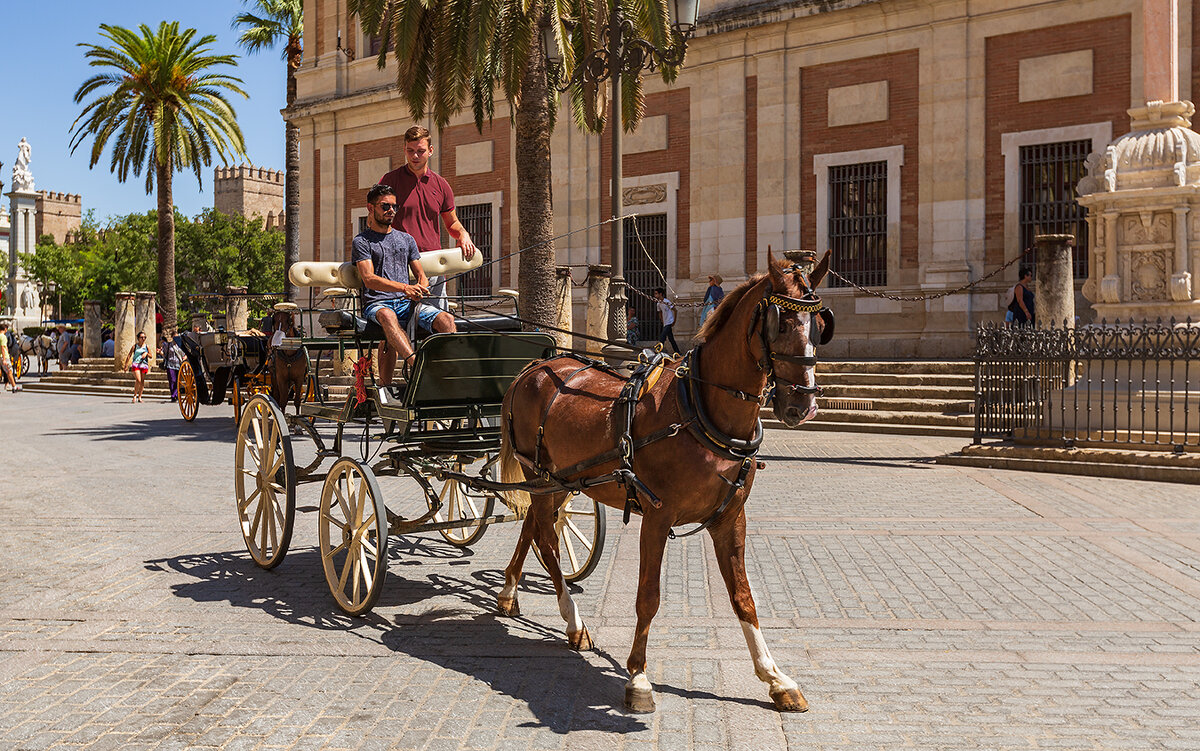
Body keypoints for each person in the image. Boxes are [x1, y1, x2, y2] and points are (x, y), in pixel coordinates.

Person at [353, 184, 456, 388]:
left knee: (447, 319)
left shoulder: (406, 239)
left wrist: (421, 288)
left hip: (406, 303)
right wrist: (404, 288)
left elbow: (421, 276)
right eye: (385, 206)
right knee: (387, 316)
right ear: (371, 208)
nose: (391, 210)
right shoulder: (362, 241)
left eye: (394, 206)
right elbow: (369, 279)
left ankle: (449, 371)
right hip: (377, 303)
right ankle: (417, 366)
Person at [378, 125, 477, 311]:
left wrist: (463, 234)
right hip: (399, 268)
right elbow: (376, 219)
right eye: (410, 151)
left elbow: (452, 222)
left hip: (433, 268)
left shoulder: (441, 185)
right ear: (404, 150)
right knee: (399, 328)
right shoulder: (389, 181)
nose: (415, 156)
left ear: (430, 151)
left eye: (420, 151)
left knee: (438, 324)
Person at [652, 287, 680, 355]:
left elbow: (675, 310)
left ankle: (658, 351)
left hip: (669, 321)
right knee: (671, 339)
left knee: (662, 336)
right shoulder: (658, 303)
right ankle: (678, 352)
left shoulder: (667, 302)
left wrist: (674, 320)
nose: (655, 295)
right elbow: (660, 312)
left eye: (656, 294)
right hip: (665, 322)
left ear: (660, 294)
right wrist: (661, 319)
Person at [126, 331, 151, 403]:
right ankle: (135, 395)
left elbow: (151, 356)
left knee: (142, 381)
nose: (143, 339)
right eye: (142, 337)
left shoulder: (147, 346)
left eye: (144, 337)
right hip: (136, 364)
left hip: (144, 364)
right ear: (138, 338)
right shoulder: (135, 346)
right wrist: (126, 365)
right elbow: (129, 355)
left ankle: (140, 397)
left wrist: (146, 353)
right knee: (138, 380)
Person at [160, 330, 182, 401]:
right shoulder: (168, 345)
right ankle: (173, 395)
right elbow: (165, 354)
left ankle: (176, 394)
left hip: (178, 364)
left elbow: (184, 354)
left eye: (177, 337)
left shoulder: (180, 345)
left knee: (177, 381)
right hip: (170, 364)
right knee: (172, 380)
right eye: (175, 337)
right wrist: (160, 353)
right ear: (172, 337)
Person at [0, 323, 20, 392]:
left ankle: (12, 385)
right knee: (9, 371)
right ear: (5, 329)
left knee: (8, 371)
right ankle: (14, 387)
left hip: (1, 356)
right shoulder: (3, 337)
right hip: (4, 356)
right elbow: (3, 347)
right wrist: (4, 359)